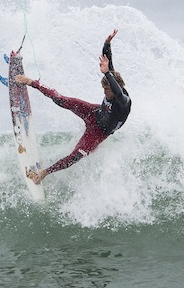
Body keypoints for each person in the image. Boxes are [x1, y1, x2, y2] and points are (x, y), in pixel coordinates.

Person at [15, 29, 131, 184]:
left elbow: (116, 90)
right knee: (61, 100)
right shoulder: (111, 82)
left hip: (98, 133)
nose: (104, 91)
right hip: (94, 112)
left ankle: (44, 173)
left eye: (107, 89)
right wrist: (107, 43)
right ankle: (31, 82)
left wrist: (107, 75)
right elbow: (107, 63)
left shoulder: (124, 102)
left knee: (75, 156)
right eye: (103, 88)